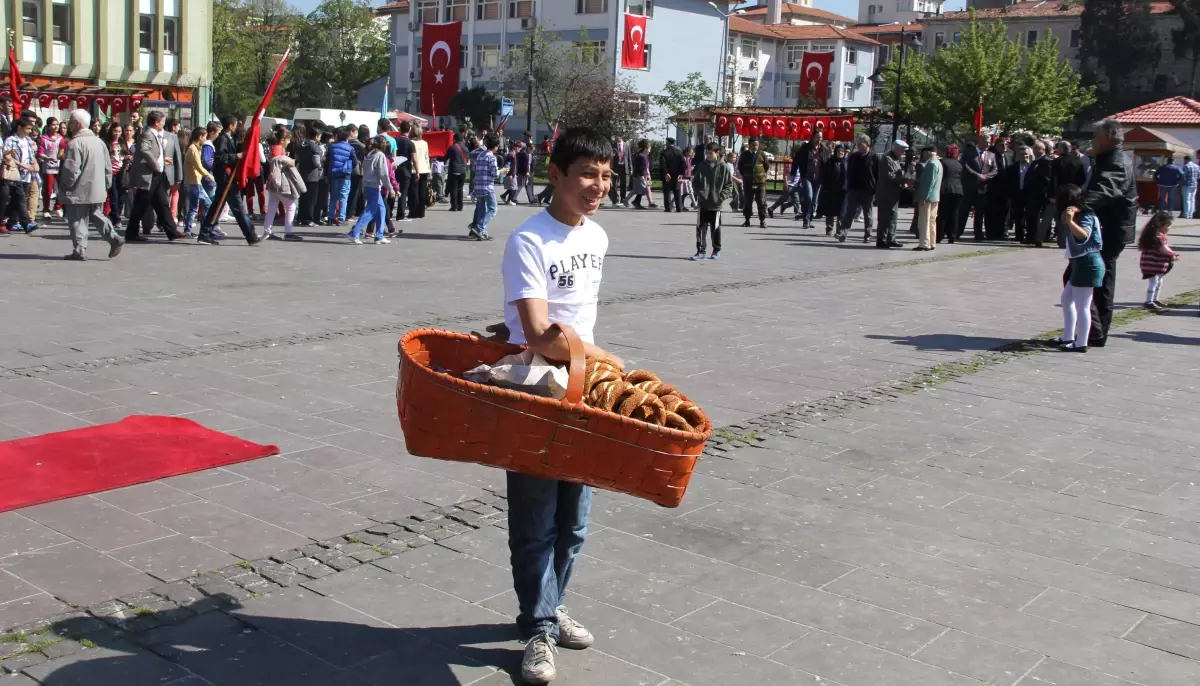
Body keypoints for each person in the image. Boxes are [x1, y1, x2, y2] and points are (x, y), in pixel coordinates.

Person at [500, 127, 618, 686]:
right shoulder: (529, 240)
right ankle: (539, 627)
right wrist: (604, 356)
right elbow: (541, 332)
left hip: (584, 388)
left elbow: (574, 315)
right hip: (537, 390)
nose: (598, 186)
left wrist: (591, 364)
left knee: (575, 520)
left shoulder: (596, 238)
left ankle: (551, 605)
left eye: (605, 174)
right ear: (557, 175)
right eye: (587, 175)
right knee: (536, 519)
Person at [1082, 119, 1137, 347]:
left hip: (1110, 230)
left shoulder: (1117, 162)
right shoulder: (1108, 158)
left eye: (1096, 135)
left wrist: (1078, 205)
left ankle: (1095, 332)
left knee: (1095, 279)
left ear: (1109, 138)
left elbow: (1107, 189)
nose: (1092, 140)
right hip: (1107, 228)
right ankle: (1093, 331)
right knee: (1095, 279)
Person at [58, 109, 123, 260]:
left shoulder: (75, 143)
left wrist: (65, 186)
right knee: (96, 215)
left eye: (71, 122)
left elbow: (71, 170)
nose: (69, 125)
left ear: (77, 124)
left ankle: (80, 250)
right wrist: (106, 185)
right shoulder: (99, 142)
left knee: (78, 219)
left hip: (78, 189)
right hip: (98, 187)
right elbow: (108, 167)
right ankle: (113, 237)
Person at [1050, 184, 1104, 352]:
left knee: (1083, 306)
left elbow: (1084, 235)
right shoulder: (1079, 212)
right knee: (1067, 299)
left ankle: (1081, 343)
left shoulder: (1084, 214)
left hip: (1088, 262)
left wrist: (1071, 222)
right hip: (1080, 262)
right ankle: (1068, 336)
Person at [196, 114, 260, 246]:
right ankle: (251, 235)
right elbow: (220, 157)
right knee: (238, 207)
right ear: (231, 126)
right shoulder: (222, 139)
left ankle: (205, 233)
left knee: (216, 207)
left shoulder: (229, 138)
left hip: (227, 177)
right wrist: (237, 156)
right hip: (226, 177)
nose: (237, 127)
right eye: (236, 124)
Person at [126, 111, 184, 242]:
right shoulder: (148, 134)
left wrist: (162, 161)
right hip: (150, 174)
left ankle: (172, 231)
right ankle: (131, 233)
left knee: (162, 204)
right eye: (162, 121)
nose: (164, 124)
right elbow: (144, 150)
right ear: (156, 122)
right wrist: (155, 164)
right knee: (141, 205)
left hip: (156, 175)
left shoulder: (154, 134)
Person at [346, 135, 392, 245]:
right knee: (370, 211)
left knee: (381, 209)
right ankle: (354, 232)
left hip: (367, 185)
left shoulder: (369, 154)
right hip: (374, 186)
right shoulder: (380, 155)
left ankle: (379, 235)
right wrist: (390, 187)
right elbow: (383, 173)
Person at [263, 128, 306, 242]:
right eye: (288, 139)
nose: (289, 142)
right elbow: (278, 162)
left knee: (272, 206)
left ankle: (267, 231)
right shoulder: (278, 148)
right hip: (280, 182)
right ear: (282, 140)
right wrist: (288, 159)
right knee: (291, 206)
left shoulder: (277, 148)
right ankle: (288, 232)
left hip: (273, 182)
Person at [691, 141, 732, 260]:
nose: (708, 155)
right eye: (707, 153)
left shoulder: (724, 167)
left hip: (716, 204)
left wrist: (721, 197)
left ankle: (716, 250)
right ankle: (701, 250)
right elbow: (696, 183)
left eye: (710, 153)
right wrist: (700, 193)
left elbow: (729, 185)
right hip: (703, 203)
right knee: (701, 228)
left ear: (717, 153)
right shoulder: (702, 165)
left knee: (716, 228)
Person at [3, 117, 41, 233]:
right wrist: (23, 165)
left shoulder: (28, 140)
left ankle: (12, 222)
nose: (30, 131)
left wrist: (35, 165)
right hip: (16, 174)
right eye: (28, 128)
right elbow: (7, 156)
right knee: (21, 199)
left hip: (28, 175)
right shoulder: (11, 140)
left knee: (17, 199)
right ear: (20, 127)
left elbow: (32, 155)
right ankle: (27, 222)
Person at [838, 134, 877, 243]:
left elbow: (877, 174)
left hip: (868, 190)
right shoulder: (853, 156)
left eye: (861, 142)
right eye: (858, 142)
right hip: (854, 189)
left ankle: (868, 235)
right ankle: (843, 233)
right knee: (849, 212)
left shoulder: (874, 156)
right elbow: (849, 172)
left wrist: (875, 188)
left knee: (867, 214)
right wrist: (848, 185)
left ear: (867, 144)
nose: (858, 145)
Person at [1137, 211, 1179, 312]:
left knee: (1159, 281)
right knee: (1154, 282)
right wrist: (1172, 255)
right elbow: (1163, 249)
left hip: (1155, 263)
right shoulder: (1157, 236)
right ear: (1161, 225)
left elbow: (1165, 247)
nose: (1169, 228)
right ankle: (1149, 301)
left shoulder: (1157, 235)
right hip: (1152, 263)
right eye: (1168, 226)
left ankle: (1155, 299)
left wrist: (1171, 253)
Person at [470, 133, 505, 241]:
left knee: (481, 210)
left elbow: (475, 168)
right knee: (493, 208)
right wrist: (502, 171)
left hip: (479, 186)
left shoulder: (480, 155)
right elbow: (494, 173)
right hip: (487, 186)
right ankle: (479, 227)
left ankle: (482, 233)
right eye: (497, 146)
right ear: (495, 146)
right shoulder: (492, 157)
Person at [874, 140, 908, 249]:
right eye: (902, 150)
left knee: (893, 217)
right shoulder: (887, 159)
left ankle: (891, 238)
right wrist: (905, 180)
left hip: (893, 194)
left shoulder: (895, 159)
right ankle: (881, 240)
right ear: (896, 148)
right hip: (885, 194)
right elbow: (891, 176)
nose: (903, 153)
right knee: (884, 219)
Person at [182, 126, 214, 237]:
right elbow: (199, 167)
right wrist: (211, 177)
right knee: (198, 207)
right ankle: (191, 230)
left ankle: (190, 230)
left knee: (197, 206)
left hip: (194, 182)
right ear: (200, 136)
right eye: (205, 136)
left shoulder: (195, 148)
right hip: (194, 182)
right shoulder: (193, 149)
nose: (206, 139)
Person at [791, 130, 827, 229]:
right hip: (807, 176)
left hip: (818, 178)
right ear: (813, 137)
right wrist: (793, 173)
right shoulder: (805, 148)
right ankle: (806, 220)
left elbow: (827, 163)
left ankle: (809, 219)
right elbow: (796, 159)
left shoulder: (823, 149)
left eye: (821, 137)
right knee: (809, 197)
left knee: (814, 200)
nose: (819, 139)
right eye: (817, 137)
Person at [1023, 142, 1052, 246]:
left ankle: (1036, 237)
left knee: (1036, 217)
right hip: (1031, 195)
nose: (1034, 151)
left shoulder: (1046, 161)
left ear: (1043, 150)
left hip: (1038, 195)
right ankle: (1030, 236)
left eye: (1037, 149)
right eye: (1034, 149)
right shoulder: (1035, 162)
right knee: (1030, 217)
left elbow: (1046, 179)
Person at [913, 146, 942, 251]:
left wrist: (923, 197)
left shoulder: (931, 164)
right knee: (932, 221)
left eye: (924, 153)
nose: (923, 156)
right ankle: (932, 242)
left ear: (928, 153)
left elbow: (929, 182)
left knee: (924, 221)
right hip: (935, 197)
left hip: (928, 197)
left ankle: (924, 244)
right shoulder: (938, 163)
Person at [293, 124, 323, 226]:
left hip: (303, 173)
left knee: (303, 197)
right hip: (312, 175)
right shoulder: (314, 146)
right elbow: (316, 161)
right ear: (316, 136)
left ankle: (300, 217)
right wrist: (320, 166)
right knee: (311, 199)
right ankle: (308, 219)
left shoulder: (302, 144)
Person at [737, 137, 769, 228]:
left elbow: (766, 166)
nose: (755, 146)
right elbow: (740, 167)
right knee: (748, 201)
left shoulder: (762, 154)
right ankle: (747, 220)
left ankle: (762, 220)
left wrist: (762, 176)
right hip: (748, 182)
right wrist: (746, 176)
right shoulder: (744, 155)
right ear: (750, 145)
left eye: (757, 145)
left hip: (760, 183)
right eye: (754, 145)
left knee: (761, 201)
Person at [985, 138, 1013, 240]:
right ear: (996, 146)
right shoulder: (991, 156)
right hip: (993, 188)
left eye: (1006, 144)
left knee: (1004, 212)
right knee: (992, 212)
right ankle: (991, 233)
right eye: (1002, 145)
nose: (1005, 146)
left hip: (1005, 190)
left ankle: (1003, 232)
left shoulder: (1009, 155)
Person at [324, 128, 354, 225]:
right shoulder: (350, 148)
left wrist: (326, 174)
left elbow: (327, 161)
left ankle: (330, 217)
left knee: (333, 197)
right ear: (347, 137)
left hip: (333, 174)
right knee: (343, 197)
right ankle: (341, 218)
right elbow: (355, 161)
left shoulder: (331, 147)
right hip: (345, 175)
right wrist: (349, 168)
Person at [817, 144, 847, 237]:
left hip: (843, 191)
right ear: (835, 152)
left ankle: (839, 231)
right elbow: (824, 176)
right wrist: (825, 188)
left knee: (841, 212)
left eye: (842, 151)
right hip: (831, 190)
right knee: (830, 211)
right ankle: (829, 228)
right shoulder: (830, 162)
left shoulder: (846, 162)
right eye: (838, 151)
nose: (840, 153)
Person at [38, 117, 64, 219]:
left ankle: (58, 207)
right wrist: (48, 158)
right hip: (49, 167)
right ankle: (46, 209)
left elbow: (64, 151)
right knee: (48, 190)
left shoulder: (61, 138)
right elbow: (40, 153)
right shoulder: (44, 139)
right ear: (48, 126)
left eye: (57, 124)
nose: (56, 126)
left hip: (60, 167)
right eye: (53, 124)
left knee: (61, 188)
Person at [937, 144, 963, 244]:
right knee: (954, 214)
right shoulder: (958, 164)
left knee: (943, 213)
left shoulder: (942, 162)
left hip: (946, 189)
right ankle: (952, 235)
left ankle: (940, 235)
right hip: (958, 190)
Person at [162, 118, 185, 227]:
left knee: (170, 195)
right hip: (167, 172)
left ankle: (169, 217)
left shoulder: (172, 137)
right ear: (173, 126)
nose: (179, 129)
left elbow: (178, 157)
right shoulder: (172, 137)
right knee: (169, 195)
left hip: (169, 172)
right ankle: (169, 217)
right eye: (178, 126)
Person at [392, 121, 415, 221]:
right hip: (406, 169)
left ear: (400, 129)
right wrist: (417, 171)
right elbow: (414, 158)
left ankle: (388, 211)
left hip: (395, 168)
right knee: (403, 193)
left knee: (392, 191)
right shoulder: (410, 143)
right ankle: (400, 214)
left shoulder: (394, 140)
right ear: (409, 130)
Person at [625, 139, 654, 209]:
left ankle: (637, 202)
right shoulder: (641, 156)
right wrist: (642, 177)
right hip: (639, 176)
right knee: (637, 190)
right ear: (646, 148)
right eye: (649, 147)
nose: (650, 149)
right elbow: (640, 168)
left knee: (642, 189)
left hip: (644, 175)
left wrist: (648, 174)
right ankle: (629, 201)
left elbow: (646, 166)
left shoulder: (645, 155)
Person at [443, 133, 469, 212]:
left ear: (454, 139)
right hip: (463, 170)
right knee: (460, 189)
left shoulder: (452, 147)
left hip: (454, 170)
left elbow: (446, 157)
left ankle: (454, 206)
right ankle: (460, 205)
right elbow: (467, 159)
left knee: (453, 188)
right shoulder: (466, 148)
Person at [660, 137, 685, 212]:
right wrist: (681, 173)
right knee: (677, 191)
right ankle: (679, 207)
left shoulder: (664, 153)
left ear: (668, 143)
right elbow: (683, 163)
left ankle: (668, 207)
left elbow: (663, 164)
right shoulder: (679, 152)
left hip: (668, 175)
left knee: (667, 192)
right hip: (677, 175)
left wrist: (666, 173)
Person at [410, 125, 430, 219]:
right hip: (424, 168)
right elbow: (427, 157)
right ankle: (422, 211)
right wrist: (428, 168)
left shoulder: (411, 143)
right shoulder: (425, 143)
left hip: (414, 169)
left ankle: (414, 211)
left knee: (414, 192)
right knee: (422, 191)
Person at [608, 134, 630, 207]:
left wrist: (630, 168)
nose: (616, 138)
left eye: (617, 136)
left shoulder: (626, 145)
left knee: (623, 184)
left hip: (624, 166)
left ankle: (623, 199)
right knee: (615, 184)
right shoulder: (613, 145)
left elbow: (629, 157)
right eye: (615, 136)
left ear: (621, 137)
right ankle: (615, 198)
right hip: (616, 167)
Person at [1180, 154, 1199, 219]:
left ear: (1186, 159)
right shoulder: (1197, 166)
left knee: (1186, 199)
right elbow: (1199, 176)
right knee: (1192, 199)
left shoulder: (1186, 166)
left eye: (1184, 160)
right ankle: (1191, 214)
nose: (1184, 161)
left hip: (1187, 185)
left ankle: (1186, 214)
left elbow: (1183, 176)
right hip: (1195, 184)